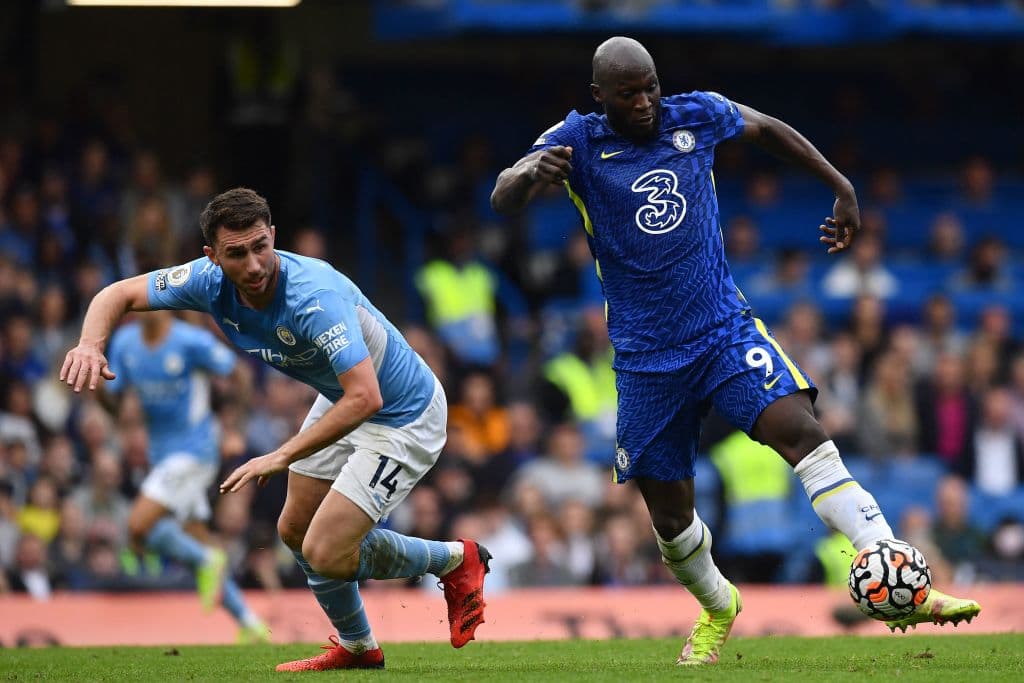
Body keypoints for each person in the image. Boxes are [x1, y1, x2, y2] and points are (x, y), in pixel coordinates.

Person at [490, 36, 979, 665]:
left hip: (722, 330)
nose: (644, 102)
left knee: (798, 429)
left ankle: (895, 570)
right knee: (669, 522)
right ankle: (719, 604)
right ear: (600, 97)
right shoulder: (577, 140)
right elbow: (503, 194)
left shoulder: (695, 114)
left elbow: (770, 129)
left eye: (650, 87)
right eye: (628, 93)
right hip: (645, 359)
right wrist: (531, 172)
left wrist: (841, 185)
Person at [60, 188, 490, 671]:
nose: (254, 264)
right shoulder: (205, 281)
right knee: (294, 530)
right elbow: (116, 293)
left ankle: (455, 559)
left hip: (403, 414)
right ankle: (357, 647)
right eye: (237, 253)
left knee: (326, 552)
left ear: (273, 237)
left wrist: (281, 453)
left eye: (260, 246)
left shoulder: (313, 297)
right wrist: (90, 345)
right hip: (342, 398)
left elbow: (368, 396)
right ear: (212, 256)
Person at [101, 308, 269, 643]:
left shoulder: (190, 341)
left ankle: (208, 559)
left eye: (151, 300)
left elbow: (241, 374)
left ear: (166, 304)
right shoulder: (124, 342)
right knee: (194, 540)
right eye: (138, 301)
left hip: (196, 450)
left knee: (138, 527)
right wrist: (99, 390)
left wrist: (233, 428)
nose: (144, 307)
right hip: (161, 455)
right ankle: (250, 624)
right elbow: (115, 403)